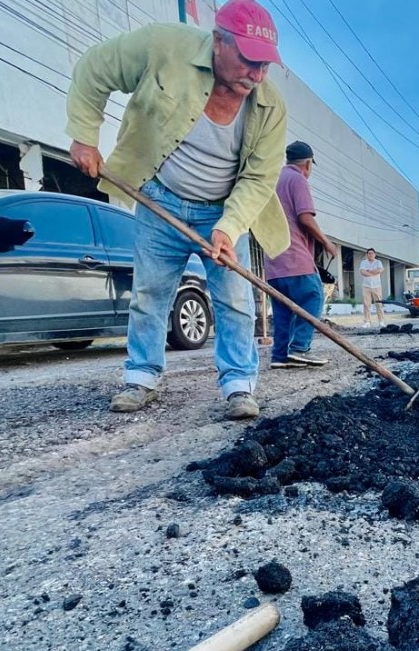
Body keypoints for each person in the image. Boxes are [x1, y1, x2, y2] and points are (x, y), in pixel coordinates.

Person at [66, 0, 289, 420]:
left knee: (235, 299)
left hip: (222, 211)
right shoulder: (163, 46)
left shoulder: (269, 105)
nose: (257, 76)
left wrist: (228, 227)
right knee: (150, 294)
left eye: (266, 66)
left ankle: (239, 385)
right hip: (159, 198)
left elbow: (259, 177)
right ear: (219, 42)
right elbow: (95, 69)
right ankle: (141, 376)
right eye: (249, 61)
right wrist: (83, 135)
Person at [265, 141, 338, 368]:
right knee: (313, 295)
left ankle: (279, 356)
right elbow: (305, 217)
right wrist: (326, 242)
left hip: (273, 260)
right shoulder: (297, 179)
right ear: (307, 163)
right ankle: (299, 349)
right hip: (294, 256)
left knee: (282, 309)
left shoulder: (273, 180)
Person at [359, 248, 386, 328]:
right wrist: (373, 272)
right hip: (366, 286)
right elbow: (362, 272)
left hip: (376, 286)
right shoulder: (363, 262)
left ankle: (381, 321)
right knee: (367, 304)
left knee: (379, 304)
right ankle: (367, 322)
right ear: (367, 254)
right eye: (369, 253)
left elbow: (379, 270)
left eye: (372, 253)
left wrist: (369, 271)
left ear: (375, 254)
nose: (370, 255)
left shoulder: (378, 262)